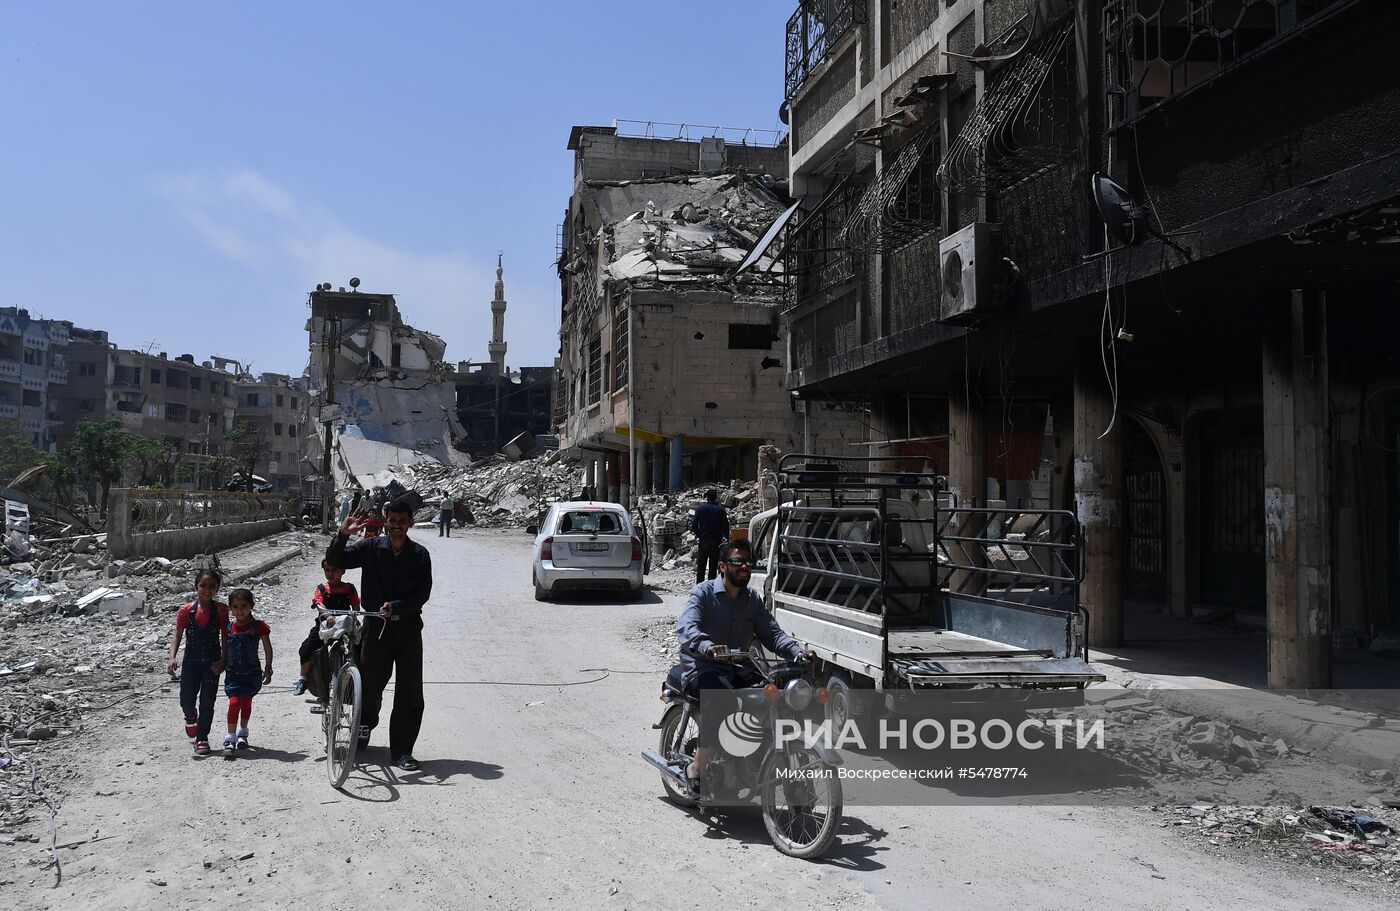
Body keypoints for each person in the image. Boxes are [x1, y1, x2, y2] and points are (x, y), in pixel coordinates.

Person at [675, 538, 809, 792]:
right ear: (723, 566)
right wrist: (707, 646)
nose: (744, 567)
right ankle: (697, 766)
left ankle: (751, 759)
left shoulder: (752, 600)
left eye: (748, 563)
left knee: (775, 694)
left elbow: (773, 634)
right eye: (738, 562)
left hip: (738, 665)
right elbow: (686, 626)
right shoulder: (703, 593)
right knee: (721, 698)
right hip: (703, 666)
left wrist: (797, 652)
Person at [327, 499, 433, 772]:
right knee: (370, 685)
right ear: (385, 522)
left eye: (402, 521)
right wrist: (343, 535)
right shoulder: (370, 548)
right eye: (392, 520)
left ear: (410, 522)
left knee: (410, 692)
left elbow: (422, 593)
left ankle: (402, 751)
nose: (397, 526)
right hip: (376, 630)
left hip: (409, 630)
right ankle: (364, 726)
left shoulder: (420, 554)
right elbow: (336, 562)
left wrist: (396, 607)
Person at [167, 569, 228, 757]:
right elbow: (178, 635)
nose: (207, 590)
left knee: (207, 702)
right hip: (191, 663)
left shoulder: (221, 610)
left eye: (212, 586)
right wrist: (172, 657)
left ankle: (202, 738)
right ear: (196, 587)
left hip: (212, 664)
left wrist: (224, 660)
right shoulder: (186, 610)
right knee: (186, 699)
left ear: (217, 589)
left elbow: (226, 636)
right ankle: (190, 716)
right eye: (203, 586)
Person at [292, 559, 361, 697]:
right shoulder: (322, 589)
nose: (331, 573)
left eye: (334, 570)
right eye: (327, 570)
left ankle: (357, 681)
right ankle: (303, 679)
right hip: (325, 625)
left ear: (343, 571)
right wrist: (328, 615)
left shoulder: (349, 589)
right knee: (306, 648)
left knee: (361, 646)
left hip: (345, 623)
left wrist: (355, 617)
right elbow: (319, 604)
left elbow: (355, 607)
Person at [221, 588, 273, 756]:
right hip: (233, 674)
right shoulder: (228, 628)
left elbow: (267, 647)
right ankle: (230, 738)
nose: (240, 610)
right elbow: (224, 650)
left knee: (246, 703)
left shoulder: (258, 627)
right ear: (230, 608)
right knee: (234, 702)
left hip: (252, 673)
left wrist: (268, 668)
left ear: (252, 606)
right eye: (235, 606)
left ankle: (243, 733)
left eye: (244, 606)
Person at [690, 489, 730, 585]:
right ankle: (711, 588)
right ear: (716, 497)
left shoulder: (700, 508)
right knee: (713, 568)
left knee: (701, 568)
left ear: (706, 497)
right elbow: (725, 526)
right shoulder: (720, 510)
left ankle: (700, 588)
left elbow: (694, 525)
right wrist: (727, 538)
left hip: (703, 541)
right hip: (716, 542)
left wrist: (699, 534)